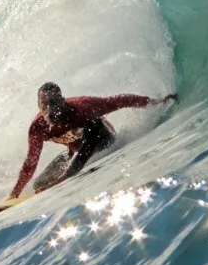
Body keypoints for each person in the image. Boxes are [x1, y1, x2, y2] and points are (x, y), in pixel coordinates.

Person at [9, 82, 176, 199]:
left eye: (53, 103)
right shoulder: (37, 128)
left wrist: (155, 102)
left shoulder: (83, 107)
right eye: (44, 105)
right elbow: (30, 164)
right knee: (38, 184)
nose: (50, 109)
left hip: (103, 140)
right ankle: (62, 177)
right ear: (38, 106)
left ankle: (65, 177)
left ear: (62, 101)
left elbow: (119, 101)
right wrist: (14, 194)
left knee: (93, 124)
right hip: (75, 152)